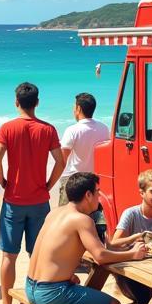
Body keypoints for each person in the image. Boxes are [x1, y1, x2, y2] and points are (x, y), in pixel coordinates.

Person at [26, 172, 145, 304]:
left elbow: (60, 249)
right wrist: (133, 254)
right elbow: (101, 256)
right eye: (97, 192)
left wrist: (66, 274)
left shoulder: (54, 213)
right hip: (51, 292)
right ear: (88, 195)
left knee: (91, 297)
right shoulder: (82, 220)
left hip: (31, 287)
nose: (100, 196)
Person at [0, 82, 65, 304]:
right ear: (37, 102)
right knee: (38, 257)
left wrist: (3, 182)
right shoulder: (48, 129)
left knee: (9, 256)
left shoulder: (8, 128)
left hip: (14, 201)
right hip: (39, 201)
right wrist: (48, 185)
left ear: (16, 102)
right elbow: (60, 162)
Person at [109, 169, 152, 304]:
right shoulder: (131, 213)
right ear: (142, 193)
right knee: (148, 298)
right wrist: (135, 237)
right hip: (131, 269)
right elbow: (113, 243)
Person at [58, 92, 110, 234]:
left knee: (65, 221)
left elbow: (62, 159)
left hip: (73, 179)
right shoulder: (104, 128)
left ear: (79, 109)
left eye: (74, 108)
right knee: (92, 222)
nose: (73, 111)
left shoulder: (72, 130)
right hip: (92, 180)